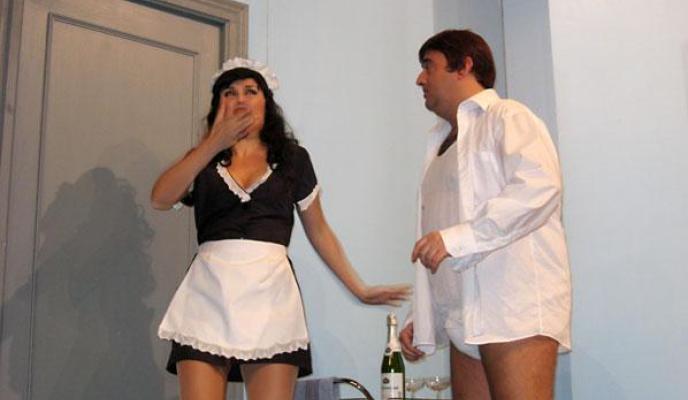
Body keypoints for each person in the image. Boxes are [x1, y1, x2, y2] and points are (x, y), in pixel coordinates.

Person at [151, 58, 410, 400]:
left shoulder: (293, 159)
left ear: (266, 102)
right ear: (218, 105)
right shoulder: (201, 158)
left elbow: (319, 231)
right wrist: (213, 143)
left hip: (271, 294)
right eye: (229, 92)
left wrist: (359, 289)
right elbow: (160, 198)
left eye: (250, 91)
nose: (240, 99)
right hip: (207, 293)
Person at [399, 30, 572, 400]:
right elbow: (439, 232)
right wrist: (424, 315)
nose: (420, 79)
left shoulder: (507, 116)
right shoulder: (439, 143)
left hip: (512, 309)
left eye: (429, 66)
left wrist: (457, 238)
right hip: (463, 316)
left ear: (464, 66)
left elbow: (539, 188)